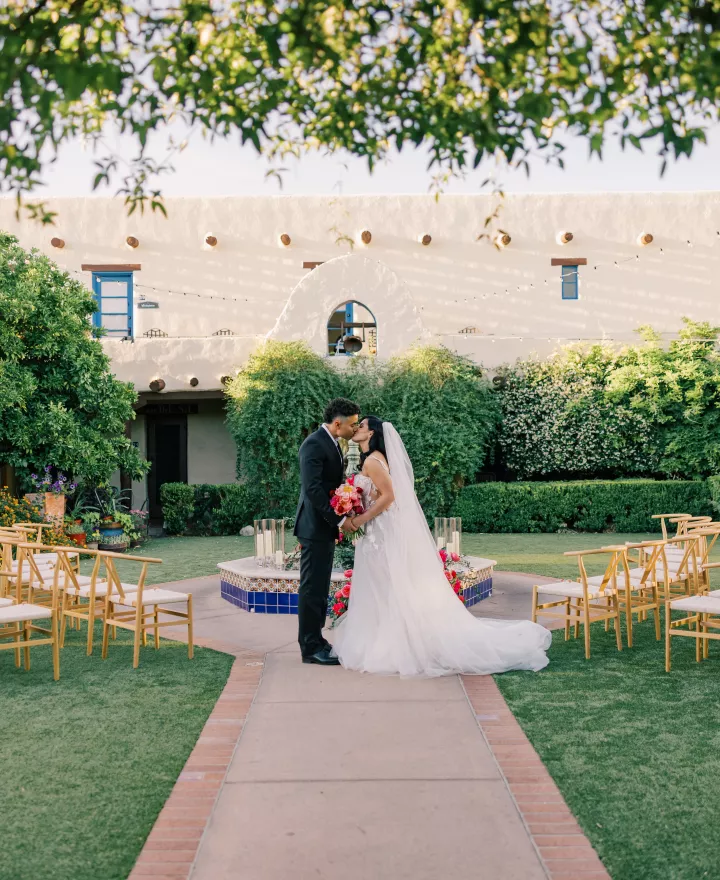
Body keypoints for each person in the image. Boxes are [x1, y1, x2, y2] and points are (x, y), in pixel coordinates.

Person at [331, 417, 552, 676]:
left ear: (372, 433)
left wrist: (358, 519)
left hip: (379, 533)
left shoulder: (372, 461)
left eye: (362, 426)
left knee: (385, 584)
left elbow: (390, 497)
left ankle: (397, 646)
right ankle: (388, 639)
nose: (357, 429)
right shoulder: (376, 458)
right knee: (384, 586)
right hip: (378, 532)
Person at [294, 398, 361, 665]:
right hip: (314, 527)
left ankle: (317, 640)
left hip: (323, 527)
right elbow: (313, 490)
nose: (354, 429)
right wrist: (339, 520)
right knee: (311, 589)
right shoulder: (313, 444)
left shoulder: (332, 443)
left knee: (320, 587)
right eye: (352, 425)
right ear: (337, 424)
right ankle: (310, 648)